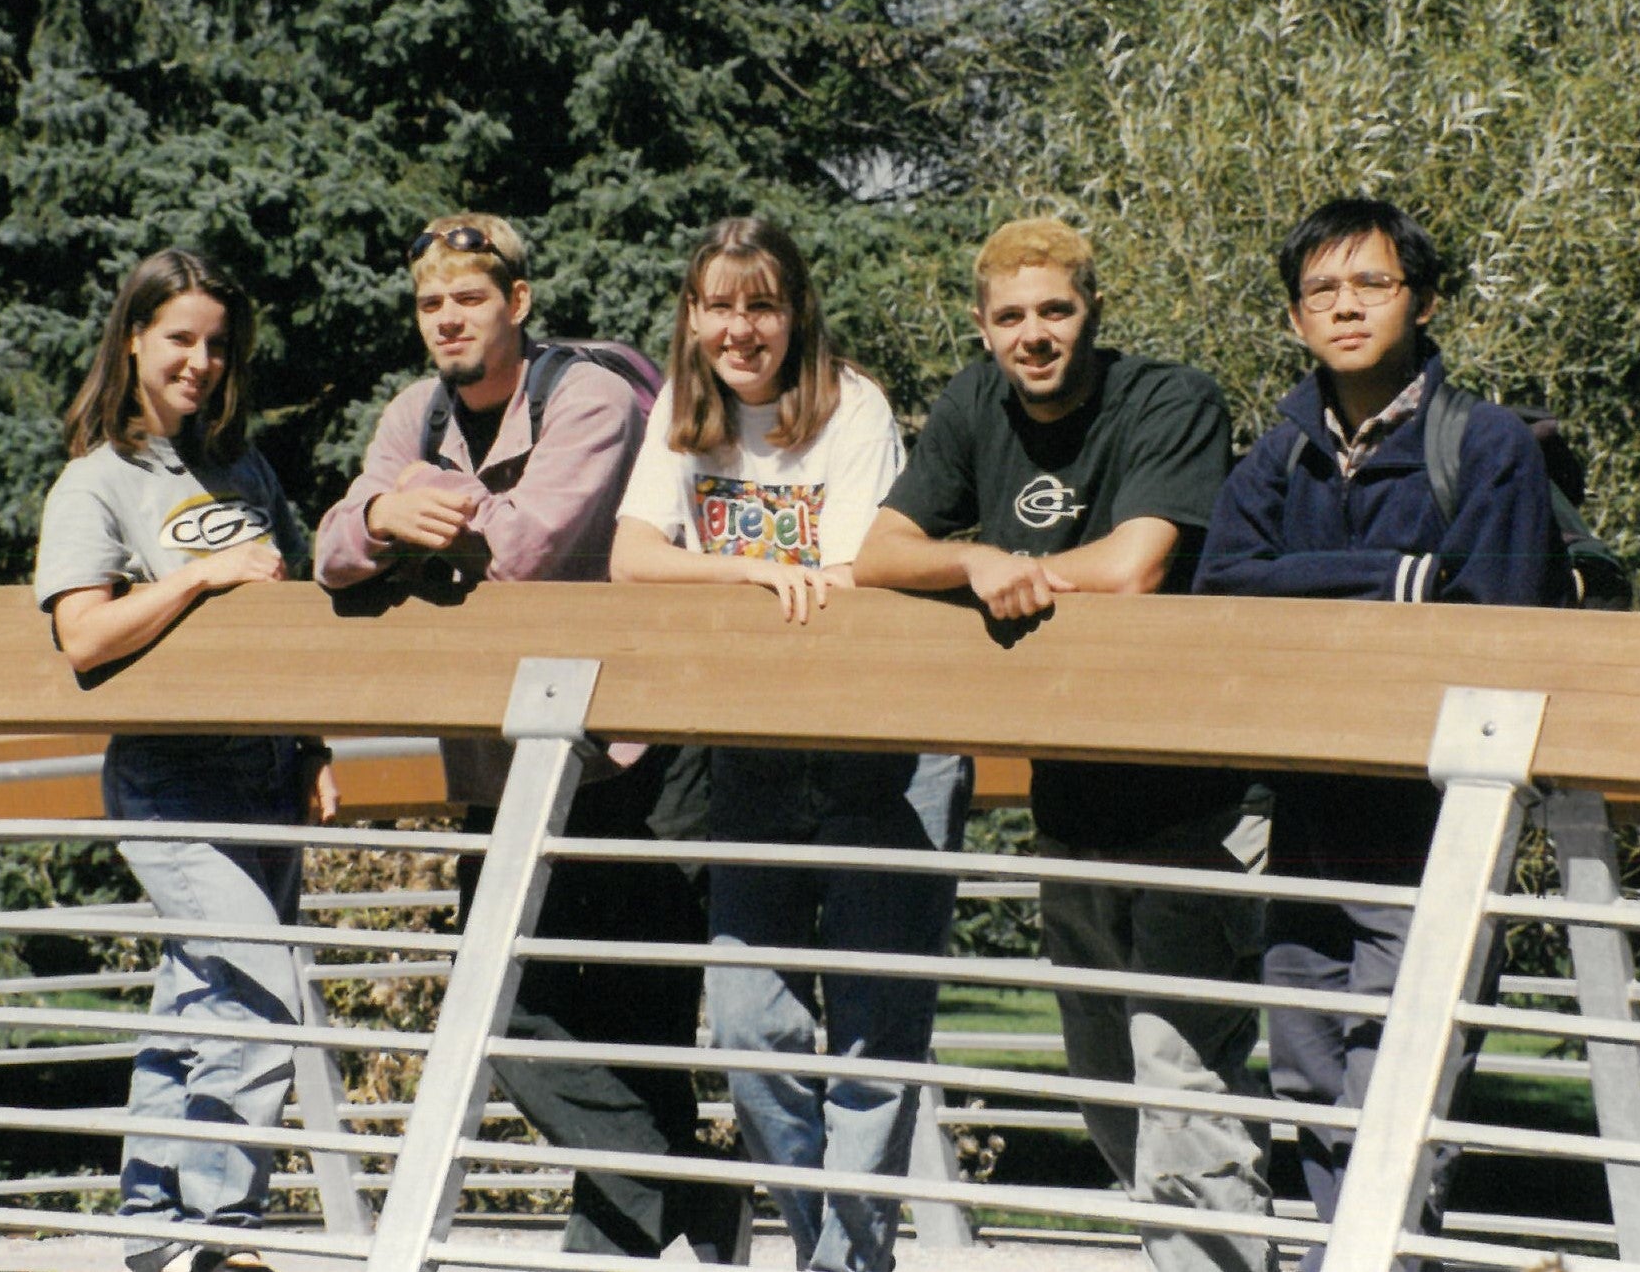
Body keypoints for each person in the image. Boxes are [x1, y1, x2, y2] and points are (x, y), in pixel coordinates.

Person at [314, 213, 743, 1262]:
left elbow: (524, 552)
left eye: (469, 297)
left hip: (642, 753)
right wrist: (376, 520)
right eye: (429, 303)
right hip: (503, 761)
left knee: (641, 1027)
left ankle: (628, 1240)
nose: (447, 318)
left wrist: (403, 507)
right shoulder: (414, 413)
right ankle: (696, 1199)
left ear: (517, 303)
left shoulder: (587, 395)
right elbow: (327, 551)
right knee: (511, 1017)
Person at [854, 217, 1270, 1272]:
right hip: (1074, 801)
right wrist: (979, 561)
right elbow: (878, 554)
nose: (1032, 336)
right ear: (982, 327)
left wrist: (1000, 574)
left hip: (1203, 796)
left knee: (1181, 1078)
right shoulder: (970, 402)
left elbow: (1135, 563)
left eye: (1054, 311)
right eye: (1009, 318)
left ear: (1093, 311)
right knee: (1106, 1090)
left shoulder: (1168, 399)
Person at [1193, 197, 1568, 1268]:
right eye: (1321, 289)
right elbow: (1222, 587)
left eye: (1370, 283)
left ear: (1424, 300)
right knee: (1309, 1076)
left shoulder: (1486, 446)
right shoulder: (1276, 456)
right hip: (1307, 814)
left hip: (1431, 822)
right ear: (1294, 316)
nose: (1344, 305)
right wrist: (1401, 579)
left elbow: (1489, 616)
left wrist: (1309, 591)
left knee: (1402, 1085)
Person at [611, 216, 969, 1272]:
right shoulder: (686, 412)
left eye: (760, 304)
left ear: (795, 312)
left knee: (871, 1029)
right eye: (718, 305)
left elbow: (864, 569)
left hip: (882, 746)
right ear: (692, 317)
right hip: (755, 746)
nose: (739, 328)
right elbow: (633, 558)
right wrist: (749, 570)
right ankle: (831, 1246)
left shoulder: (848, 406)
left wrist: (765, 570)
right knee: (750, 1026)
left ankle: (847, 1263)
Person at [32, 248, 338, 1272]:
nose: (200, 362)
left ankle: (153, 1230)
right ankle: (222, 1236)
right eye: (180, 340)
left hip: (265, 771)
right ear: (132, 340)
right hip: (170, 777)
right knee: (258, 990)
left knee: (198, 997)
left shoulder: (243, 469)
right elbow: (85, 639)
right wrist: (200, 577)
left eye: (216, 344)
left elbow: (299, 615)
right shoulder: (96, 481)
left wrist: (313, 743)